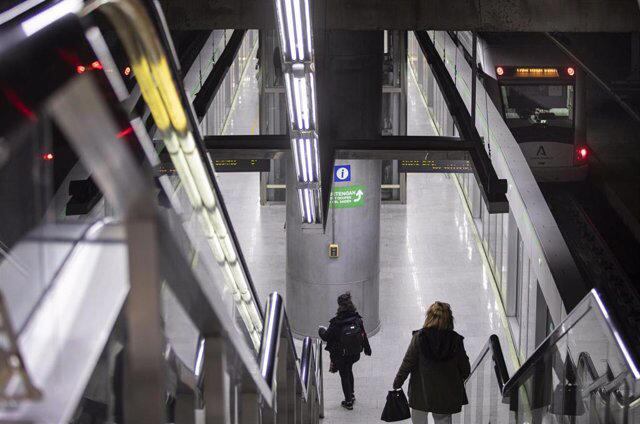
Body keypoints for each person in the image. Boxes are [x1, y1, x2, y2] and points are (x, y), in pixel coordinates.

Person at [392, 301, 471, 424]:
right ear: (449, 319)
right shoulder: (455, 340)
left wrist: (398, 382)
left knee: (419, 419)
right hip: (445, 394)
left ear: (429, 317)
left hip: (421, 391)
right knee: (443, 419)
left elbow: (408, 362)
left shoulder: (419, 338)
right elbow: (465, 368)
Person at [318, 292, 372, 410]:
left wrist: (320, 330)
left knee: (344, 375)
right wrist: (367, 349)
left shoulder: (337, 323)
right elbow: (363, 335)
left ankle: (348, 401)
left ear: (340, 306)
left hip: (341, 355)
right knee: (349, 370)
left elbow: (326, 336)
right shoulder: (357, 319)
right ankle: (351, 394)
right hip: (354, 353)